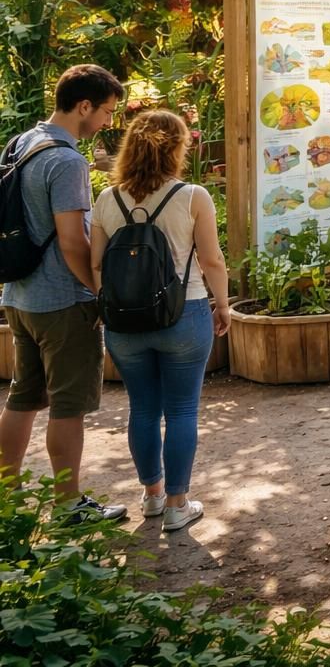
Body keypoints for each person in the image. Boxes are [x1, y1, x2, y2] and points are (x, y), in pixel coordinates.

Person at [90, 110, 230, 531]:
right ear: (178, 149)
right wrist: (222, 305)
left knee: (143, 409)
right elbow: (211, 260)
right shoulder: (192, 196)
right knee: (183, 409)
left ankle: (151, 496)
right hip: (183, 313)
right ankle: (177, 505)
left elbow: (97, 265)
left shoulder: (106, 199)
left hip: (123, 323)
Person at [0, 64, 126, 522]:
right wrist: (98, 292)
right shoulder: (68, 160)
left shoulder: (23, 142)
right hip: (61, 300)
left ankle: (8, 499)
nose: (109, 123)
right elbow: (73, 240)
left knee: (23, 397)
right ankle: (69, 505)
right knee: (68, 406)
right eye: (107, 113)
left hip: (19, 294)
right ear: (84, 106)